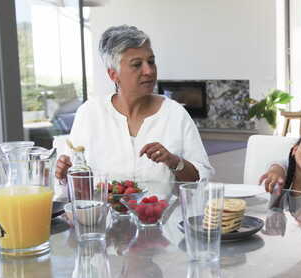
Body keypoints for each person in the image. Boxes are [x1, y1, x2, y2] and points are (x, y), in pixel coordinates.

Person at [55, 25, 213, 184]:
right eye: (137, 64)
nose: (149, 71)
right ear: (113, 74)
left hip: (164, 209)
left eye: (151, 62)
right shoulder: (89, 113)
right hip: (104, 209)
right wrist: (64, 175)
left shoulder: (175, 114)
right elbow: (74, 177)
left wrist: (174, 162)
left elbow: (201, 178)